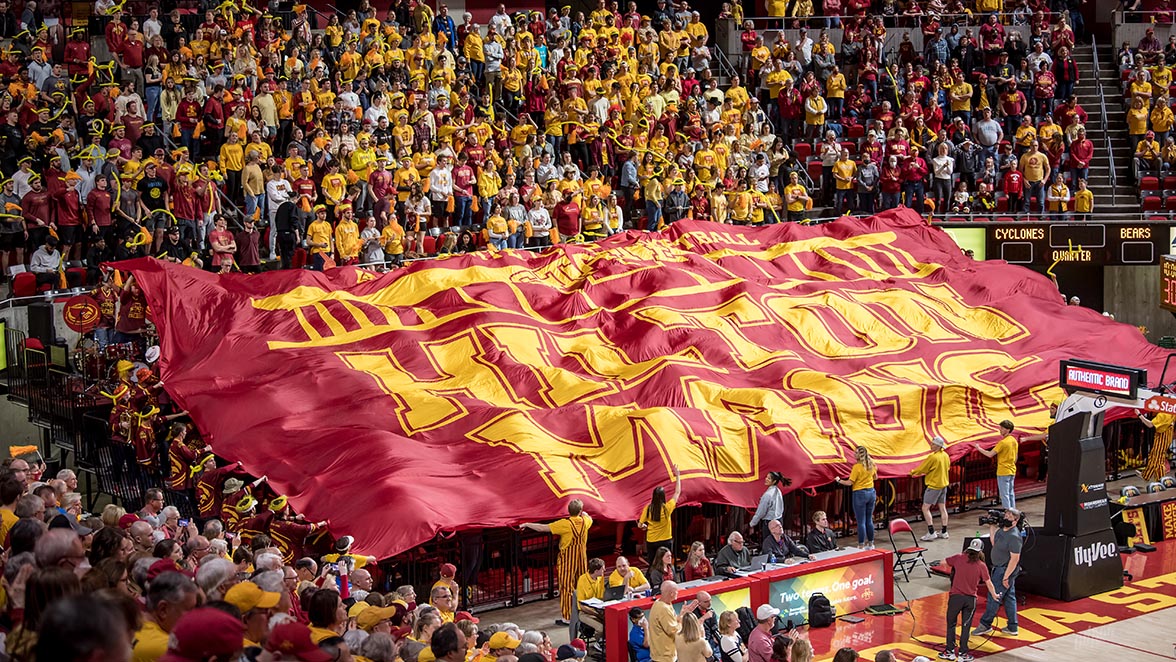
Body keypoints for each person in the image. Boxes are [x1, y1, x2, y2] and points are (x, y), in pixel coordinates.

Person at [521, 499, 592, 626]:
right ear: (580, 511)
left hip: (567, 559)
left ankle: (568, 617)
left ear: (568, 511)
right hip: (582, 558)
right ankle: (584, 613)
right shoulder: (586, 521)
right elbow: (588, 516)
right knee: (582, 585)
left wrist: (527, 524)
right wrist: (584, 514)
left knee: (566, 588)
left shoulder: (564, 524)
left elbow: (543, 528)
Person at [944, 538, 1000, 662]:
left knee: (951, 624)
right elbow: (988, 583)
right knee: (966, 626)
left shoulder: (958, 558)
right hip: (970, 600)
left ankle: (950, 652)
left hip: (955, 598)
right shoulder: (982, 565)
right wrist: (995, 595)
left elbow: (944, 562)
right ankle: (963, 654)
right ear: (980, 551)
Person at [971, 508, 1024, 638]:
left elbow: (1015, 559)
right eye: (1005, 514)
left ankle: (985, 624)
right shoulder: (1002, 530)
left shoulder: (1014, 536)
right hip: (998, 568)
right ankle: (1012, 626)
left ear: (1015, 521)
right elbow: (994, 542)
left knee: (994, 597)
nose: (1006, 517)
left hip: (1004, 570)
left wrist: (1006, 577)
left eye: (1009, 516)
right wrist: (992, 527)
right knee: (1009, 598)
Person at [834, 446, 877, 549]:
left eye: (856, 453)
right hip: (871, 492)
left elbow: (850, 482)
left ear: (859, 455)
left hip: (860, 493)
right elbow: (875, 477)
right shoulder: (871, 464)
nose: (854, 454)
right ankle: (871, 543)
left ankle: (861, 545)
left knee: (861, 521)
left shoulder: (857, 467)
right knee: (869, 520)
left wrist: (839, 480)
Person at [639, 464, 681, 567]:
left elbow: (640, 525)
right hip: (666, 540)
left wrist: (644, 526)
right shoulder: (667, 508)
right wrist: (678, 475)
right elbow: (677, 492)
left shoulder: (648, 508)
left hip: (652, 541)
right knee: (666, 564)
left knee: (653, 564)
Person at [910, 436, 952, 541]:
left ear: (938, 446)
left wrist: (912, 472)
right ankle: (944, 531)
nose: (931, 445)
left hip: (934, 486)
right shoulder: (945, 455)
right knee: (942, 508)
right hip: (943, 485)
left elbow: (922, 468)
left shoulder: (933, 457)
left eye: (933, 444)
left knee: (925, 508)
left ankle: (931, 531)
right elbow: (948, 468)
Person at [974, 420, 1018, 509]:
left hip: (1003, 471)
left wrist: (979, 448)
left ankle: (1008, 513)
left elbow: (990, 454)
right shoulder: (1014, 441)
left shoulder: (1003, 443)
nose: (1000, 430)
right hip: (1012, 470)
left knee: (1004, 494)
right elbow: (1016, 457)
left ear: (1008, 430)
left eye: (1002, 428)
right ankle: (1013, 511)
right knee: (1010, 493)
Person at [648, 581, 696, 662]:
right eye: (676, 591)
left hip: (663, 654)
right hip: (665, 657)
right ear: (671, 593)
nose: (678, 592)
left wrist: (682, 615)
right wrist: (682, 621)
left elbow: (671, 622)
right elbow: (674, 631)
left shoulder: (661, 603)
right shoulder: (663, 609)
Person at [748, 471, 791, 546]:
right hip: (779, 519)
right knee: (778, 542)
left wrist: (752, 523)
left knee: (769, 544)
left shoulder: (768, 495)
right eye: (766, 477)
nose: (766, 479)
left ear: (774, 481)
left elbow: (761, 512)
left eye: (769, 478)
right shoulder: (778, 491)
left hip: (769, 522)